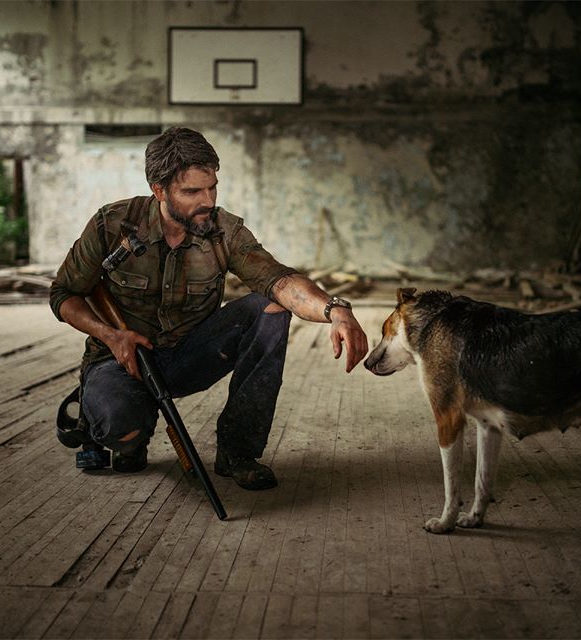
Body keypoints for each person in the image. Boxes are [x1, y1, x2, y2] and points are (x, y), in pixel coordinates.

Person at [50, 127, 368, 489]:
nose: (207, 200)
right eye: (192, 191)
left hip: (189, 354)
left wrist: (336, 309)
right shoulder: (111, 225)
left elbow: (279, 281)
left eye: (212, 187)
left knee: (271, 309)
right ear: (159, 190)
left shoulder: (223, 230)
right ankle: (112, 423)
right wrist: (112, 336)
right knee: (121, 430)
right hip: (121, 359)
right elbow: (63, 294)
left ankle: (237, 452)